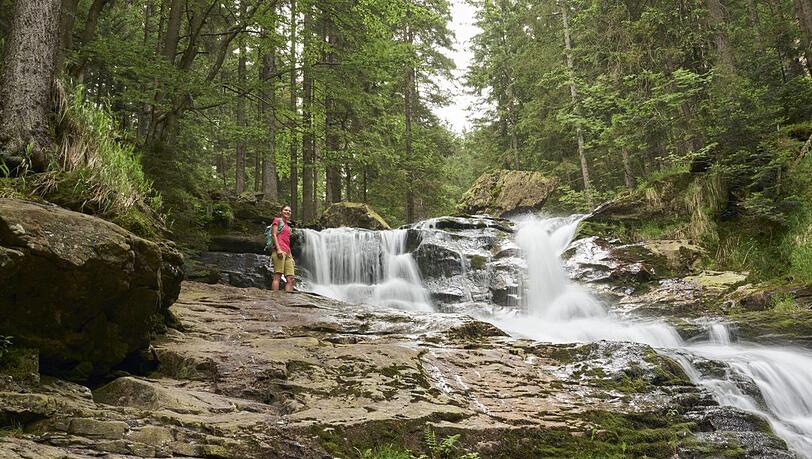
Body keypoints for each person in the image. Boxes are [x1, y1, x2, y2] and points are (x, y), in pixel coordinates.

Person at [270, 205, 295, 292]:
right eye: (285, 210)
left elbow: (287, 242)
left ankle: (288, 300)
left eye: (289, 211)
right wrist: (278, 249)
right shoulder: (277, 220)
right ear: (281, 211)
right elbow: (274, 234)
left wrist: (291, 256)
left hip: (287, 253)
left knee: (291, 278)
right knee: (278, 275)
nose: (287, 212)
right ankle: (275, 298)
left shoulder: (288, 226)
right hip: (279, 250)